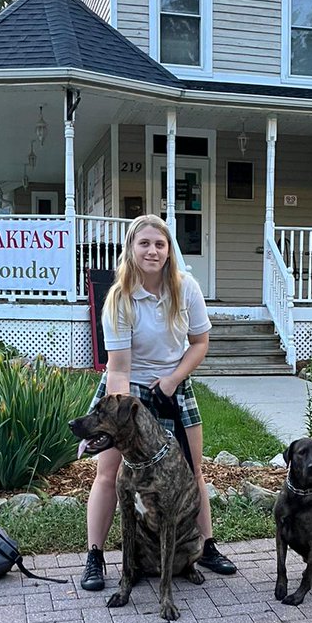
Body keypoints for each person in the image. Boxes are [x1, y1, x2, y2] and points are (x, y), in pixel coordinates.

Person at [80, 213, 237, 592]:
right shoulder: (119, 298)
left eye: (160, 244)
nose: (152, 251)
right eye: (144, 243)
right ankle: (95, 556)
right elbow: (118, 369)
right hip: (126, 392)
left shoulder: (187, 289)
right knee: (108, 475)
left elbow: (200, 344)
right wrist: (124, 418)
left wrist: (171, 380)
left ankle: (207, 546)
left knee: (192, 472)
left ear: (169, 251)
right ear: (132, 250)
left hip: (174, 387)